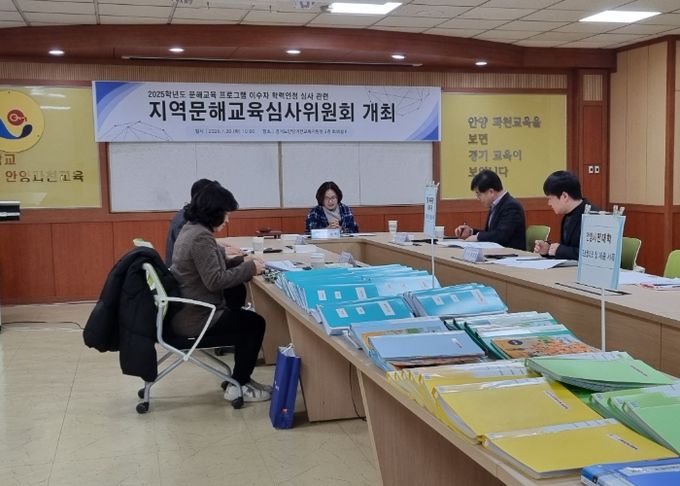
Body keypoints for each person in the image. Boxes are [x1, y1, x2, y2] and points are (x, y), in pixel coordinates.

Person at [170, 182, 271, 402]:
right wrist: (250, 268)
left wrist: (241, 262)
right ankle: (239, 385)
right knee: (254, 323)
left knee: (243, 317)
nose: (227, 220)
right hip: (196, 317)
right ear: (213, 212)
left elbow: (212, 267)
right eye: (226, 214)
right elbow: (215, 280)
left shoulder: (191, 229)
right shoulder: (201, 237)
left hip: (188, 311)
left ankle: (239, 379)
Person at [166, 178, 243, 266]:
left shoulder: (190, 216)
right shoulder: (186, 221)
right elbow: (195, 249)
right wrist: (221, 250)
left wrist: (216, 245)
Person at [453, 169, 526, 250]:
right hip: (496, 253)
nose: (478, 198)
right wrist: (471, 231)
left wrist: (477, 237)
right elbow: (491, 234)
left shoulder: (511, 206)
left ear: (491, 192)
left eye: (479, 194)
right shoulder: (495, 205)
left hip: (511, 254)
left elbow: (501, 235)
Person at [534, 170, 599, 260]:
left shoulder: (593, 217)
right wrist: (548, 249)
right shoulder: (568, 215)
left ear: (564, 196)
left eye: (550, 198)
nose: (549, 203)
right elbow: (567, 249)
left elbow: (594, 255)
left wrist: (559, 250)